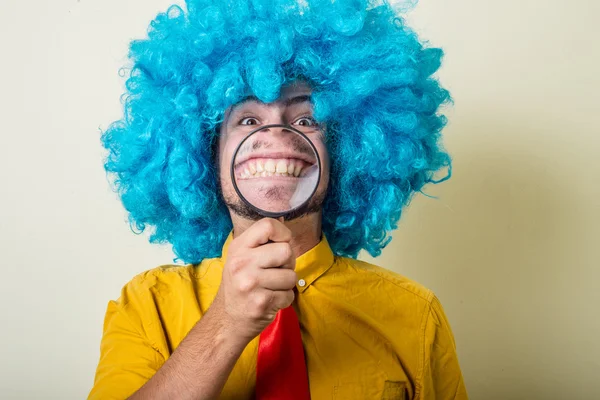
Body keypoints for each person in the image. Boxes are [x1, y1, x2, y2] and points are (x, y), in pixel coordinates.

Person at [89, 0, 468, 398]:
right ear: (206, 152)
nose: (276, 135)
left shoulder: (415, 314)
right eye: (248, 120)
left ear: (346, 150)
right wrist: (226, 323)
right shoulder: (147, 305)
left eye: (305, 119)